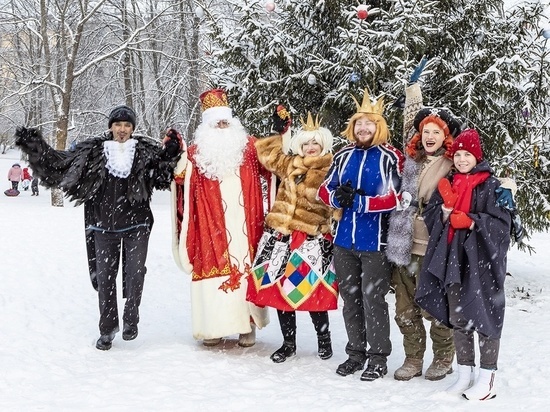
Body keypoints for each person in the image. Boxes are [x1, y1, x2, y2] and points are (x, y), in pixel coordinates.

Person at [15, 105, 183, 350]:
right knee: (105, 279)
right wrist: (35, 145)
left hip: (137, 223)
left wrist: (171, 151)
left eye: (127, 125)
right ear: (110, 127)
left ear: (132, 128)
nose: (122, 130)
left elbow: (162, 176)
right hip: (103, 225)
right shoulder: (93, 150)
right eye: (118, 125)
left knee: (135, 274)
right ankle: (107, 328)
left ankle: (131, 319)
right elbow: (60, 166)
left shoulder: (145, 151)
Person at [415, 128, 512, 401]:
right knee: (459, 318)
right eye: (457, 154)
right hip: (452, 260)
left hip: (481, 261)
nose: (461, 159)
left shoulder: (492, 186)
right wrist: (444, 212)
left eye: (466, 154)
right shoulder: (448, 181)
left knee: (484, 315)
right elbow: (432, 215)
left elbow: (502, 225)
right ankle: (464, 374)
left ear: (476, 156)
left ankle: (487, 378)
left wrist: (471, 221)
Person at [170, 88, 270, 347]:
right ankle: (213, 327)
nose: (222, 126)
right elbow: (178, 178)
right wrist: (172, 154)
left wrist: (284, 135)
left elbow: (275, 164)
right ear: (206, 125)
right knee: (213, 271)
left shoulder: (249, 146)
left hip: (247, 223)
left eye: (225, 121)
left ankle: (247, 326)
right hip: (210, 225)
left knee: (246, 272)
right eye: (217, 123)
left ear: (233, 122)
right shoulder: (194, 153)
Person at [318, 89, 404, 381]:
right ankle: (355, 353)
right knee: (350, 299)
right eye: (359, 123)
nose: (363, 128)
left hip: (375, 242)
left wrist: (362, 202)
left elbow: (397, 197)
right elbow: (324, 189)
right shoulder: (343, 155)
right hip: (344, 242)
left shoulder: (390, 157)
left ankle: (378, 358)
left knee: (373, 299)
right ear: (352, 127)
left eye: (369, 123)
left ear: (378, 126)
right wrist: (336, 198)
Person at [247, 108, 340, 363]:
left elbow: (336, 205)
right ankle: (288, 344)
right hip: (282, 238)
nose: (311, 147)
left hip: (312, 240)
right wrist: (279, 132)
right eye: (307, 143)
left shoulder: (332, 169)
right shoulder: (291, 164)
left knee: (314, 294)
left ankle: (324, 340)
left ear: (324, 146)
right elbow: (267, 155)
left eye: (316, 143)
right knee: (280, 293)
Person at [386, 83, 462, 381]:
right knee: (405, 309)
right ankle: (413, 358)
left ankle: (443, 357)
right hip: (403, 245)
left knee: (437, 307)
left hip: (434, 248)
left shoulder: (453, 163)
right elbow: (410, 118)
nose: (430, 136)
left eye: (436, 132)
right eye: (426, 131)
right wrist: (413, 91)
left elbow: (480, 178)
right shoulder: (411, 159)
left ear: (446, 137)